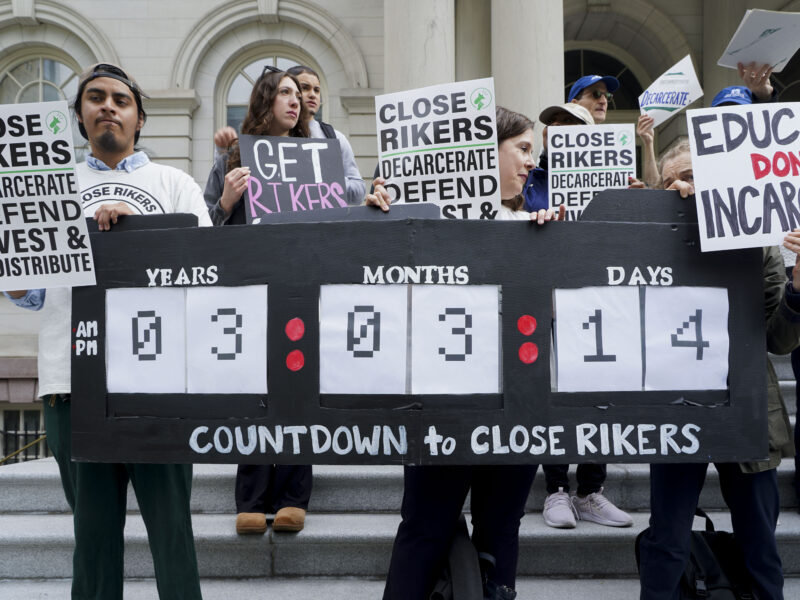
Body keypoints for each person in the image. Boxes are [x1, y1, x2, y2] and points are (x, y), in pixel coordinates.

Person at [3, 62, 209, 600]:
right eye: (95, 98)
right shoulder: (50, 188)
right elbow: (31, 295)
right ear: (78, 115)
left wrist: (135, 236)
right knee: (92, 538)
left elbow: (213, 276)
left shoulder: (175, 185)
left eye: (120, 99)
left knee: (172, 532)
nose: (108, 107)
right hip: (73, 380)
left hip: (161, 385)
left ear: (139, 118)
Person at [369, 106, 560, 600]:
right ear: (485, 152)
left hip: (518, 400)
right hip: (442, 403)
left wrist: (551, 243)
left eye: (531, 153)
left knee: (501, 531)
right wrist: (383, 214)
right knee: (425, 528)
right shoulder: (421, 219)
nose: (530, 163)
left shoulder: (537, 225)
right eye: (521, 148)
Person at [637, 138, 800, 600]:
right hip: (676, 407)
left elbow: (779, 339)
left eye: (695, 177)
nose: (686, 187)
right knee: (667, 539)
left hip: (746, 408)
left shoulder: (759, 245)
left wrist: (798, 290)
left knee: (760, 544)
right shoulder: (648, 240)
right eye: (675, 181)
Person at [204, 67, 313, 535]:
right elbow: (202, 231)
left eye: (299, 95)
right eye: (285, 93)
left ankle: (293, 498)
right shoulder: (232, 158)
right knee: (254, 393)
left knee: (299, 391)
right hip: (250, 292)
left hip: (302, 290)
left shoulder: (316, 156)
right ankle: (251, 497)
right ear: (265, 101)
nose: (295, 101)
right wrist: (227, 203)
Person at [213, 64, 365, 206]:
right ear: (267, 98)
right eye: (286, 92)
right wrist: (225, 204)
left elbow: (357, 193)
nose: (309, 96)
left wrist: (323, 177)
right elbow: (210, 218)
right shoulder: (238, 154)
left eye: (316, 90)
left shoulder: (334, 138)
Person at [523, 102, 593, 213]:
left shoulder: (609, 184)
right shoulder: (524, 177)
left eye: (567, 120)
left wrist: (628, 196)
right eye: (550, 122)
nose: (554, 125)